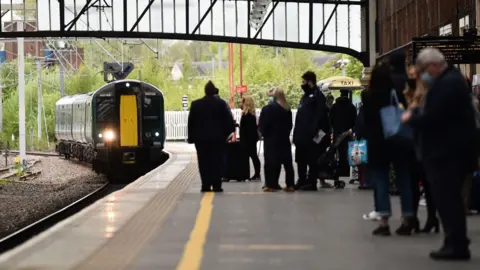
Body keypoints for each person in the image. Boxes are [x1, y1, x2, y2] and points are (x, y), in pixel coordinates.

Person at [402, 48, 475, 260]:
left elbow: (435, 116)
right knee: (448, 200)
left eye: (425, 69)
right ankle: (455, 241)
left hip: (446, 153)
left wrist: (410, 119)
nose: (425, 74)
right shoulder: (451, 81)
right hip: (449, 151)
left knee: (448, 200)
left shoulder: (447, 84)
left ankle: (456, 244)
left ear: (434, 65)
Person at [363, 63, 415, 236]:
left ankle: (384, 221)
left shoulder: (368, 96)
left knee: (381, 181)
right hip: (398, 141)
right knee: (404, 179)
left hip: (378, 144)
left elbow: (367, 121)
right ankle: (407, 218)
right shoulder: (396, 94)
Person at [404, 64, 437, 234]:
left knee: (423, 183)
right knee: (418, 183)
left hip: (423, 144)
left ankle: (429, 217)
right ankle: (421, 218)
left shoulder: (426, 94)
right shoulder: (410, 93)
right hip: (414, 144)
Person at [188, 81, 236, 192]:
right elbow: (229, 122)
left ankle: (205, 185)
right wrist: (226, 136)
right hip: (218, 140)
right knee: (217, 161)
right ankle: (217, 185)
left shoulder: (196, 104)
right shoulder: (221, 104)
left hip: (201, 141)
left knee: (203, 162)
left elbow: (191, 123)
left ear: (205, 91)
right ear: (214, 91)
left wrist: (191, 138)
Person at [293, 71, 331, 190]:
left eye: (303, 81)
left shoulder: (318, 96)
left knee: (312, 159)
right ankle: (302, 180)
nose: (302, 84)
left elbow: (320, 117)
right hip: (301, 135)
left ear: (310, 82)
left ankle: (311, 181)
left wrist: (314, 133)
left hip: (311, 136)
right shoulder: (304, 97)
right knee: (300, 159)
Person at [259, 88, 295, 192]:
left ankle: (270, 184)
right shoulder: (287, 109)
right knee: (287, 163)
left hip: (271, 140)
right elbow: (290, 125)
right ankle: (290, 184)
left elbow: (263, 125)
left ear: (274, 96)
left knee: (270, 162)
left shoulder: (267, 108)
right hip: (284, 139)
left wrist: (263, 133)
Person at [329, 89, 358, 177]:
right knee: (346, 152)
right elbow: (355, 121)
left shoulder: (335, 106)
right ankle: (345, 171)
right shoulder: (351, 107)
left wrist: (334, 128)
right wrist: (352, 129)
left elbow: (330, 119)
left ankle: (337, 170)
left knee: (336, 150)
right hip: (347, 133)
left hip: (337, 132)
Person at [240, 96, 261, 181]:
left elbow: (244, 130)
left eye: (242, 102)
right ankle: (257, 173)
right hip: (252, 139)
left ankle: (247, 174)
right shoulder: (252, 115)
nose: (241, 104)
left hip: (247, 140)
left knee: (247, 157)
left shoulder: (246, 116)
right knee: (254, 156)